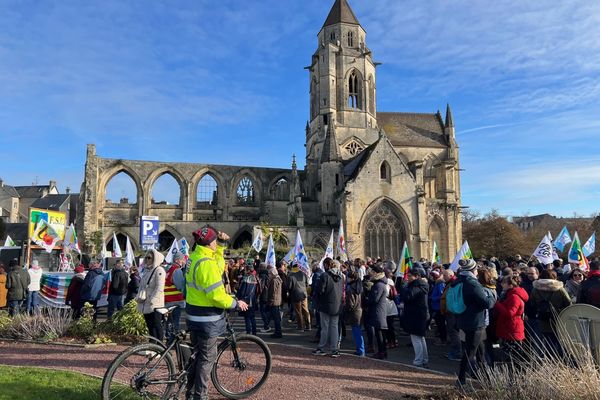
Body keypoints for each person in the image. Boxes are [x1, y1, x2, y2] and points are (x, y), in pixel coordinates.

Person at [185, 226, 248, 400]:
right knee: (207, 359)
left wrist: (221, 246)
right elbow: (217, 296)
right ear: (209, 243)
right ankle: (200, 396)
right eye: (214, 241)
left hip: (193, 315)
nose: (215, 243)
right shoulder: (206, 264)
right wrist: (235, 303)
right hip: (206, 319)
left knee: (197, 357)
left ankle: (189, 394)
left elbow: (218, 267)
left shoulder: (196, 257)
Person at [454, 259, 496, 387]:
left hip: (464, 319)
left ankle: (486, 378)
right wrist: (492, 297)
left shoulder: (458, 281)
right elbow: (486, 303)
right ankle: (461, 379)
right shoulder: (472, 283)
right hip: (475, 322)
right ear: (473, 270)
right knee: (470, 351)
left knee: (480, 352)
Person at [529, 269, 572, 353]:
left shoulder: (535, 289)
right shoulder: (560, 289)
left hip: (542, 319)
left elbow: (532, 303)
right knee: (559, 343)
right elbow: (568, 303)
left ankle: (545, 360)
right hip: (558, 319)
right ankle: (559, 361)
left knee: (544, 343)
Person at [312, 258, 344, 358]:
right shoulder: (341, 276)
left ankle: (321, 348)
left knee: (324, 327)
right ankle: (334, 349)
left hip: (326, 305)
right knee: (334, 328)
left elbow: (320, 291)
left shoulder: (325, 276)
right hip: (337, 305)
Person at [494, 275, 528, 364]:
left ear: (510, 285)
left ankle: (513, 374)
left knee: (512, 356)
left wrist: (497, 304)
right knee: (510, 354)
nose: (501, 284)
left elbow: (510, 313)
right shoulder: (510, 294)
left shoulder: (514, 296)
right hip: (511, 327)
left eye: (504, 283)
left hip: (512, 328)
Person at [401, 268, 430, 368]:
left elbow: (407, 296)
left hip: (416, 315)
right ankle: (424, 360)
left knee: (416, 339)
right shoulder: (419, 285)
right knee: (420, 338)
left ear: (417, 276)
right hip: (418, 314)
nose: (407, 278)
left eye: (410, 276)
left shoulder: (417, 286)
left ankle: (418, 361)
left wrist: (404, 286)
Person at [136, 249, 166, 342]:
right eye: (146, 257)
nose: (147, 259)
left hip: (154, 304)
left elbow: (159, 287)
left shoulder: (159, 270)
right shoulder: (147, 270)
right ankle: (152, 345)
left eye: (149, 258)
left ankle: (160, 346)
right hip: (146, 303)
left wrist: (153, 299)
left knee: (156, 325)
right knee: (150, 325)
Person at [364, 263, 388, 359]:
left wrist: (366, 299)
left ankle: (381, 352)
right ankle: (382, 351)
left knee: (380, 333)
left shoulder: (379, 285)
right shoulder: (379, 283)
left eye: (372, 271)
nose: (370, 273)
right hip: (378, 311)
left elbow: (374, 299)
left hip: (378, 311)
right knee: (379, 332)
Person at [164, 251, 186, 338]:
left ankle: (169, 336)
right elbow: (180, 286)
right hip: (175, 301)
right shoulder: (177, 271)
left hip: (168, 300)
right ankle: (172, 339)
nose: (184, 261)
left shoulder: (169, 269)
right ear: (178, 260)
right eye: (183, 259)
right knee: (174, 322)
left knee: (170, 321)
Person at [441, 268, 461, 361]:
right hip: (449, 311)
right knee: (452, 332)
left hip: (452, 312)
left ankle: (456, 353)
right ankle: (455, 351)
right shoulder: (450, 283)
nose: (443, 277)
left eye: (445, 275)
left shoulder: (453, 284)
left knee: (454, 333)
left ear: (450, 275)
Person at [345, 265, 365, 356]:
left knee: (356, 332)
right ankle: (361, 349)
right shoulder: (359, 286)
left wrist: (347, 310)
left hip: (354, 311)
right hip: (360, 309)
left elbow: (350, 303)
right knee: (359, 331)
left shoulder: (350, 289)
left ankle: (360, 350)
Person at [286, 261, 311, 331]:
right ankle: (308, 326)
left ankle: (300, 327)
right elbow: (307, 284)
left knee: (298, 311)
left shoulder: (290, 275)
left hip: (295, 295)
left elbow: (288, 287)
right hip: (304, 294)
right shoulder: (303, 274)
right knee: (306, 310)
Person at [237, 264, 258, 335]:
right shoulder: (255, 278)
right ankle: (254, 331)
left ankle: (248, 331)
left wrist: (239, 298)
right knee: (252, 317)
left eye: (246, 269)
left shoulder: (246, 278)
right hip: (253, 299)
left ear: (248, 270)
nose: (245, 270)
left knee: (247, 317)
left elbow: (242, 291)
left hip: (246, 300)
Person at [266, 264, 283, 338]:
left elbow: (271, 292)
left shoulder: (274, 280)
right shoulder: (278, 279)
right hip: (277, 300)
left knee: (276, 318)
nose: (269, 275)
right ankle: (278, 331)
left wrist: (269, 301)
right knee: (277, 318)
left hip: (274, 300)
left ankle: (278, 332)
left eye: (269, 273)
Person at [430, 269, 447, 346]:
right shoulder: (437, 283)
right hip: (436, 306)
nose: (433, 277)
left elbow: (441, 295)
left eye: (434, 276)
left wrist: (433, 298)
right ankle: (442, 338)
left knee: (441, 324)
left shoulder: (440, 283)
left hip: (439, 307)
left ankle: (443, 340)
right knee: (439, 324)